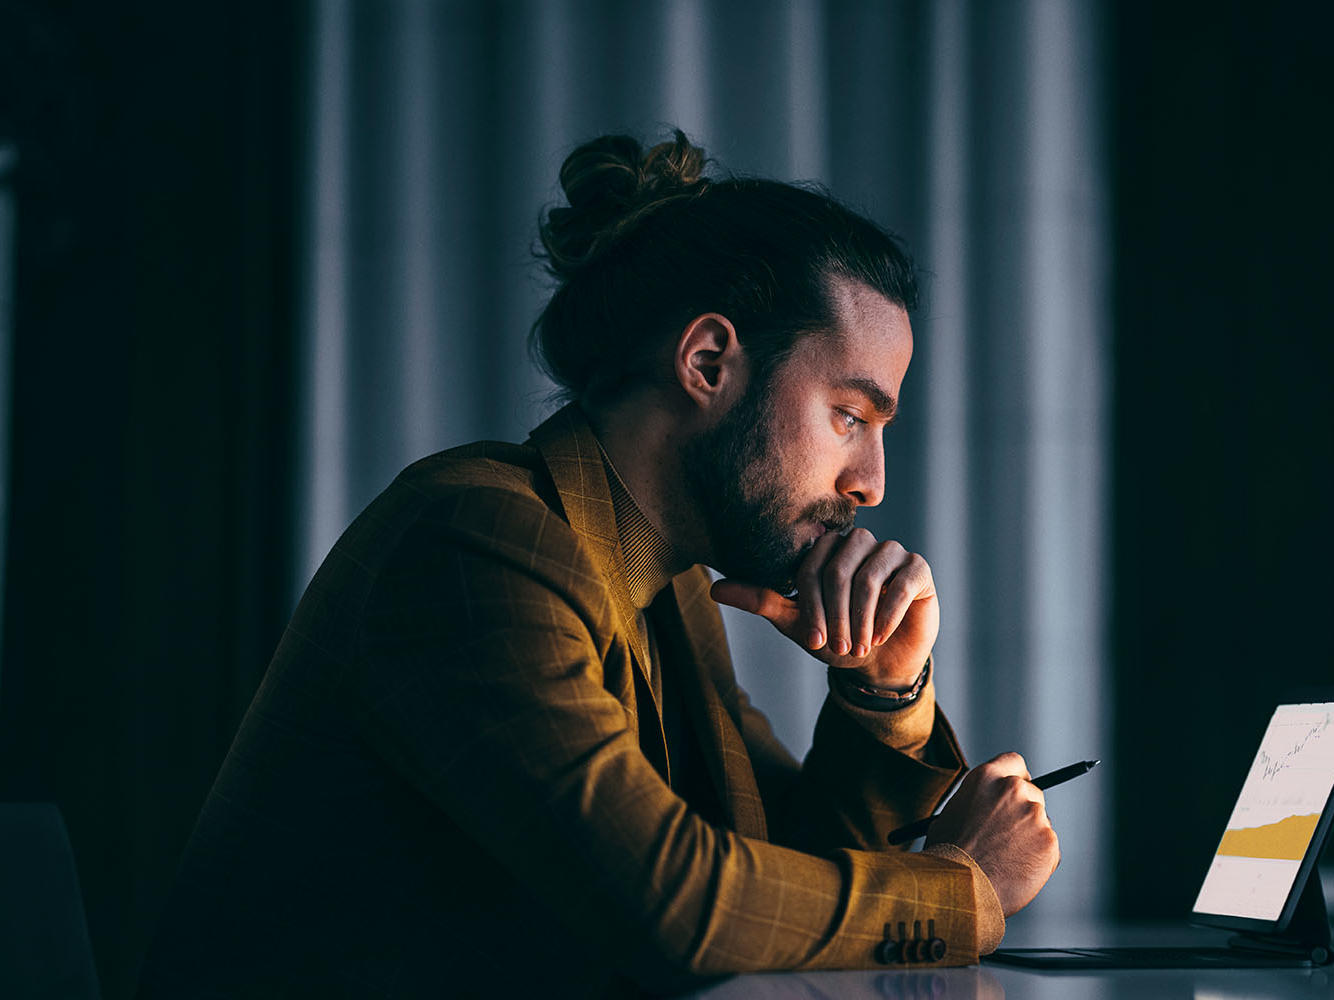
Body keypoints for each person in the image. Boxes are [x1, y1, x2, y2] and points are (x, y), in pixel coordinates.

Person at [137, 131, 1059, 996]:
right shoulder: (473, 538)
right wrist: (962, 888)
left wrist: (882, 695)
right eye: (850, 416)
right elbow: (678, 906)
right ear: (707, 362)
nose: (870, 484)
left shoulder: (668, 589)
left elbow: (780, 871)